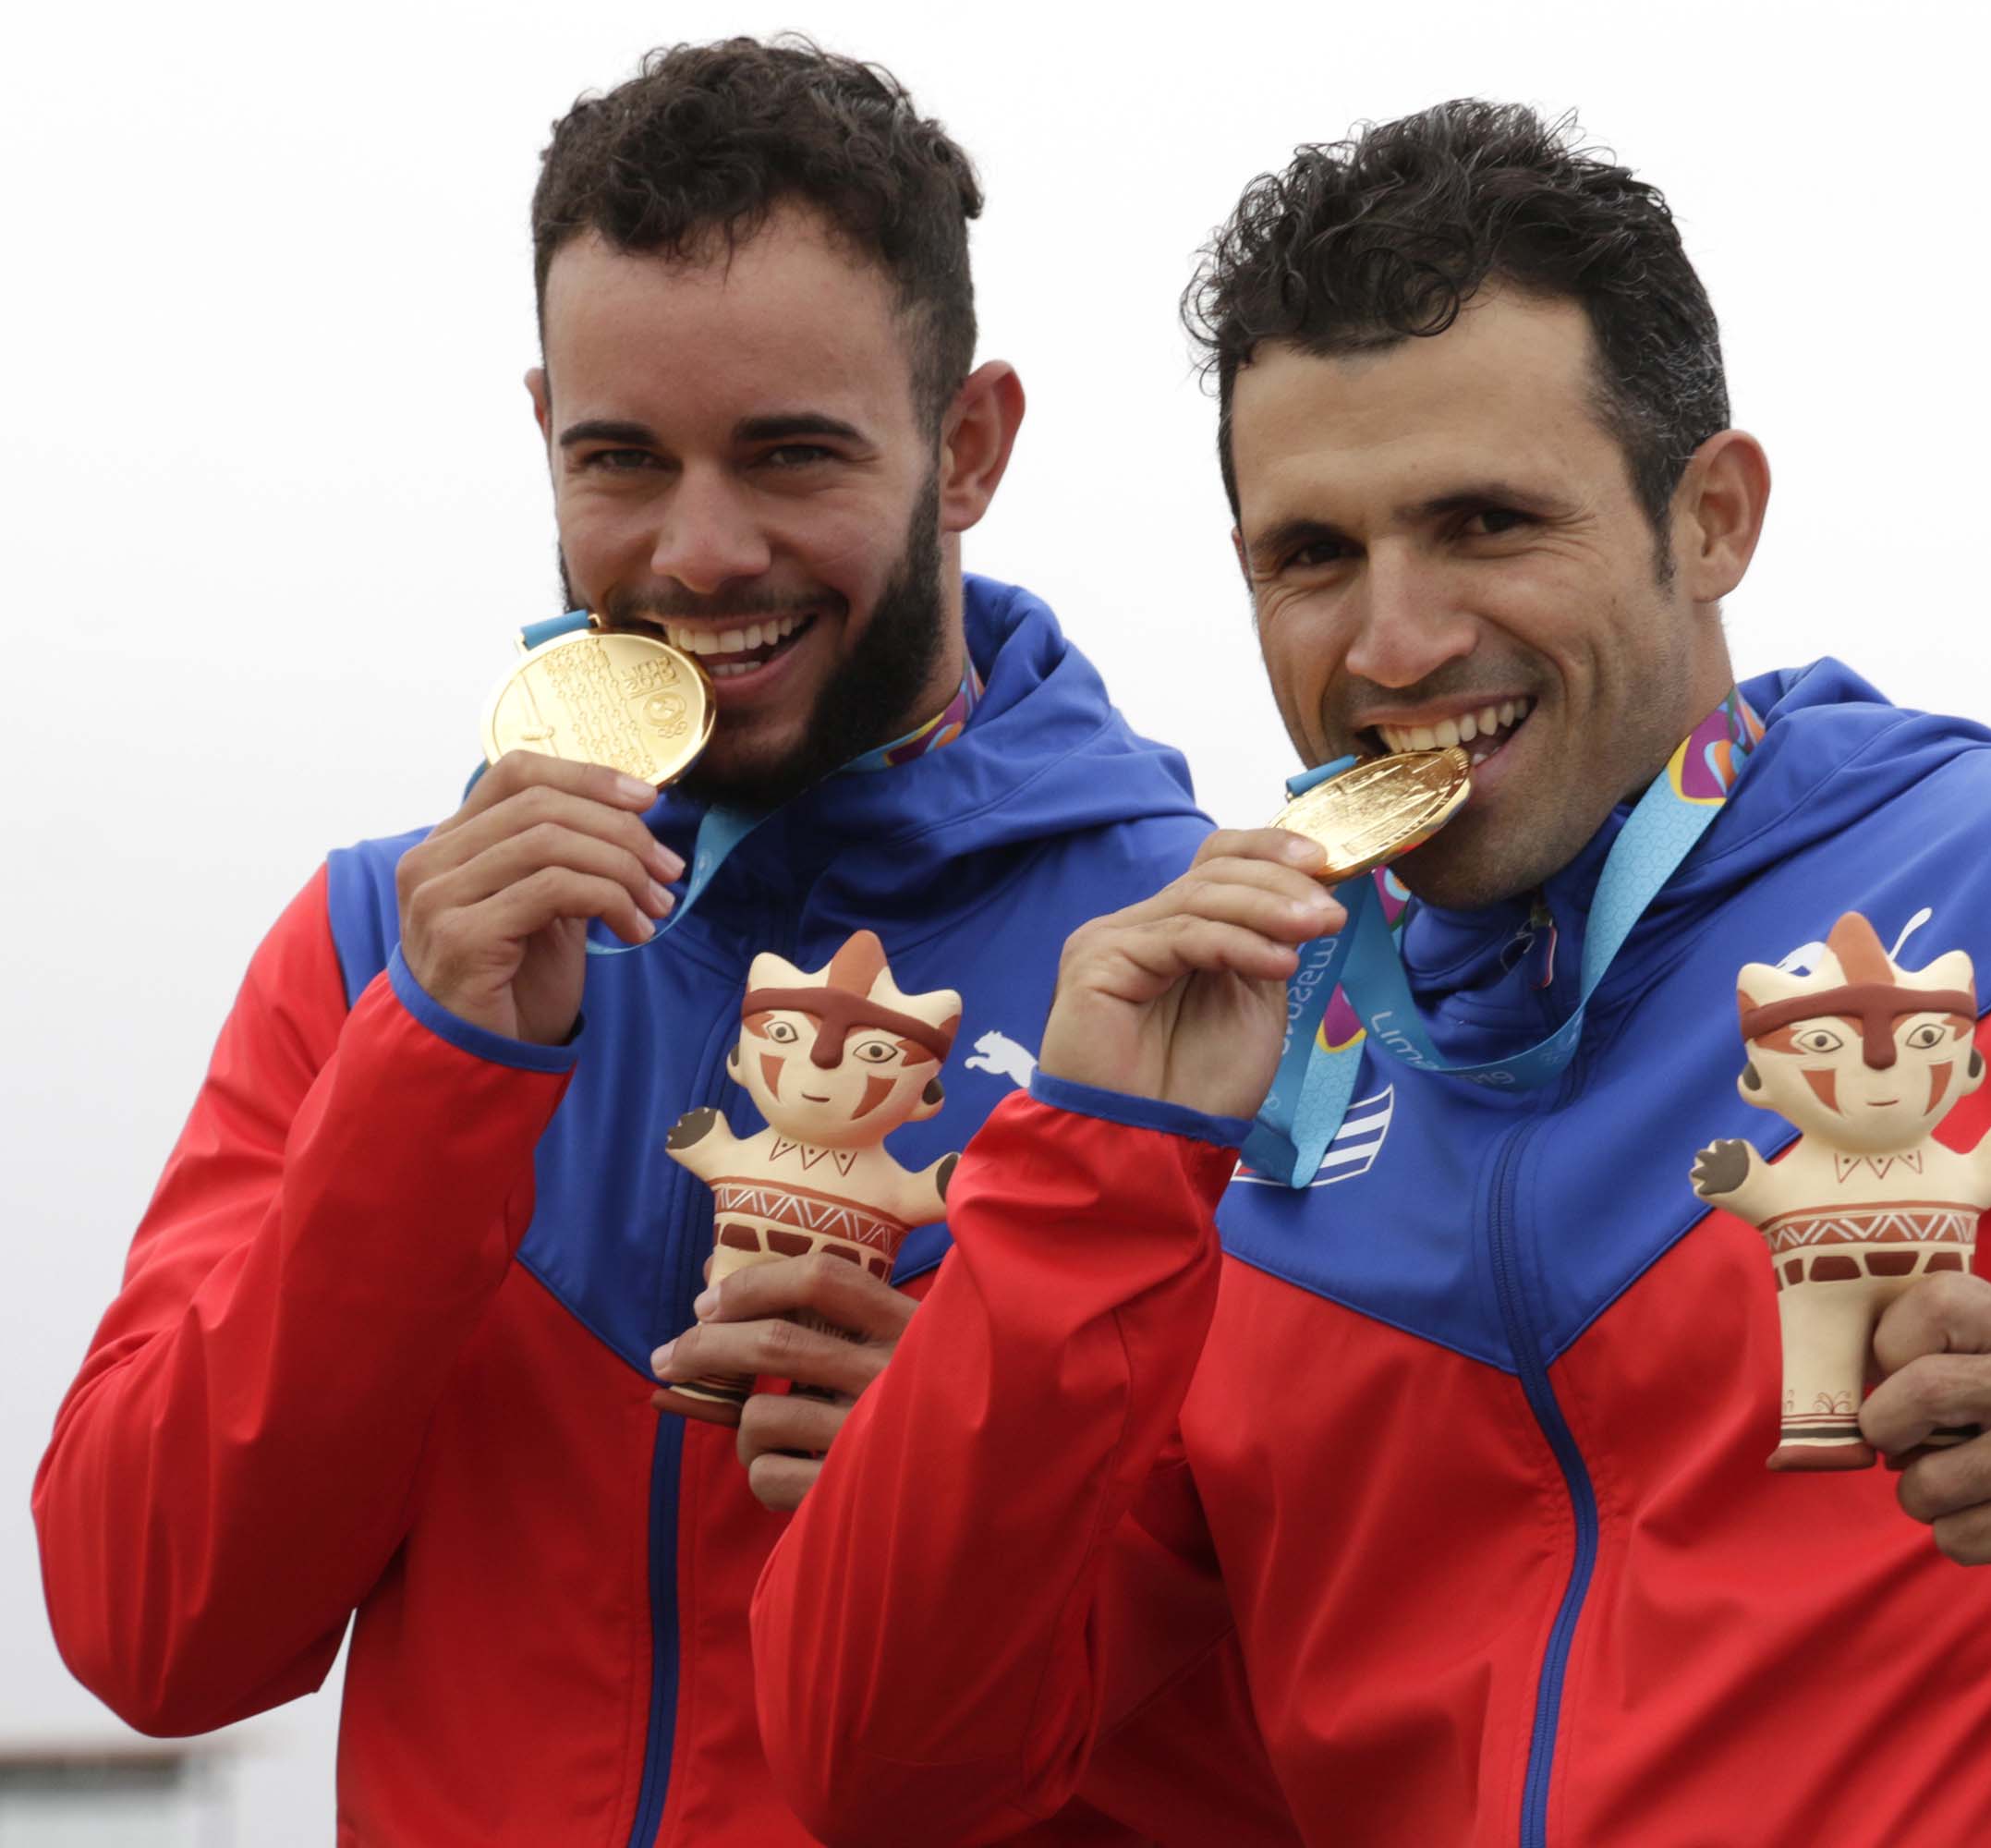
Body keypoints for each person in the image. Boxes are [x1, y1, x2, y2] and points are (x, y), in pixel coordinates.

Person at [751, 101, 1991, 1846]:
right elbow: (888, 1770)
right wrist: (1089, 1159)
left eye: (1487, 522)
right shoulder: (1239, 1084)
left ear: (1714, 515)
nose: (1397, 640)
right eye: (1313, 555)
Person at [33, 39, 1291, 1848]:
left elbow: (1353, 1659)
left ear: (973, 445)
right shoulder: (379, 943)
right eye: (623, 457)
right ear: (546, 429)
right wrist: (441, 1078)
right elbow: (157, 1635)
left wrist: (973, 1466)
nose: (701, 553)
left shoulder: (1216, 977)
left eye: (790, 454)